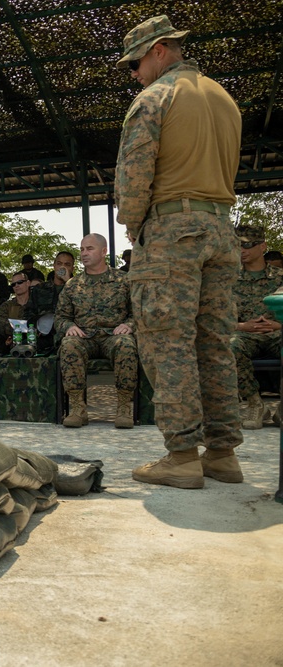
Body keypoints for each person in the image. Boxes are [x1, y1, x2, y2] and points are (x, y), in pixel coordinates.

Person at [115, 15, 243, 488]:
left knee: (166, 340)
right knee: (214, 343)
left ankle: (182, 456)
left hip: (171, 233)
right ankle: (223, 453)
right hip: (219, 228)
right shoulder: (223, 99)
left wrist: (132, 224)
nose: (134, 73)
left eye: (135, 63)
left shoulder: (154, 98)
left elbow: (135, 170)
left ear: (160, 50)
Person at [56, 234, 138, 429]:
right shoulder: (72, 285)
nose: (84, 253)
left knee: (126, 344)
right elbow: (60, 318)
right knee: (68, 344)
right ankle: (78, 408)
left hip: (114, 336)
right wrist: (70, 327)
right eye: (82, 249)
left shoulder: (124, 280)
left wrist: (130, 325)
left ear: (104, 251)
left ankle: (124, 407)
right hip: (85, 337)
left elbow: (139, 312)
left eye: (90, 249)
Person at [230, 225, 283, 429]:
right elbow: (218, 317)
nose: (242, 250)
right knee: (231, 346)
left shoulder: (280, 277)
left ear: (262, 246)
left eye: (247, 245)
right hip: (244, 334)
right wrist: (243, 326)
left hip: (276, 331)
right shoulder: (229, 279)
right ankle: (254, 403)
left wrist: (278, 324)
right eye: (237, 245)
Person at [24, 251, 75, 355]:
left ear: (72, 268)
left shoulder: (77, 289)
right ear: (54, 266)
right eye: (59, 264)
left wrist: (68, 282)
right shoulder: (40, 288)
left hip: (68, 339)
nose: (62, 268)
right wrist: (34, 329)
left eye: (67, 265)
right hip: (42, 338)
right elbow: (28, 313)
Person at [0, 272, 32, 355]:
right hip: (11, 347)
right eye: (13, 284)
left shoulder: (36, 303)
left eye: (20, 282)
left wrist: (15, 326)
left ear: (28, 283)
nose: (16, 285)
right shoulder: (7, 306)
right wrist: (26, 327)